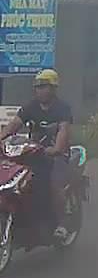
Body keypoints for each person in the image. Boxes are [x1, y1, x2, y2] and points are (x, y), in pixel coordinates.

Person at [2, 69, 73, 239]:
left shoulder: (62, 109)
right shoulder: (31, 106)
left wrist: (56, 148)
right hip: (33, 152)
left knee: (54, 184)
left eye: (44, 86)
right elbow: (13, 125)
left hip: (56, 155)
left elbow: (63, 131)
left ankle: (62, 224)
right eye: (37, 87)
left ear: (53, 88)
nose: (40, 90)